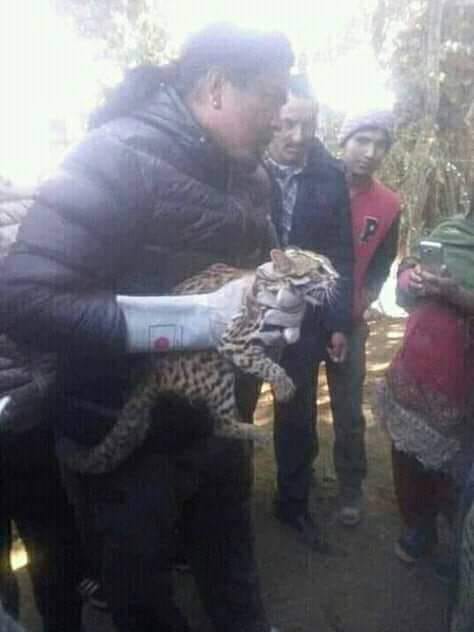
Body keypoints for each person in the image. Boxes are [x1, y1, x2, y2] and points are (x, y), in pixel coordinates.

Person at [0, 23, 303, 632]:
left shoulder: (252, 174)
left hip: (216, 422)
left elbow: (260, 269)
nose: (280, 120)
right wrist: (188, 322)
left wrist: (282, 299)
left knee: (233, 567)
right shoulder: (112, 157)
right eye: (270, 99)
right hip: (121, 437)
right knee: (142, 597)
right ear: (216, 88)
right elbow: (24, 297)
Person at [264, 74, 354, 549]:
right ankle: (216, 510)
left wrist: (338, 322)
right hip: (244, 314)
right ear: (269, 119)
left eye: (309, 124)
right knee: (228, 408)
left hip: (305, 320)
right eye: (288, 124)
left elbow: (340, 255)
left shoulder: (331, 175)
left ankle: (293, 503)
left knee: (297, 413)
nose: (299, 137)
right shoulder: (238, 165)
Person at [0, 194, 83, 631]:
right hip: (30, 413)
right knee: (50, 537)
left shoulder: (27, 224)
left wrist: (32, 396)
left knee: (49, 538)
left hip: (26, 420)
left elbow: (51, 325)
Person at [376, 208, 474, 569]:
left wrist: (456, 293)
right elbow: (405, 281)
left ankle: (459, 536)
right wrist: (411, 279)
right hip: (415, 371)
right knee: (408, 456)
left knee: (457, 466)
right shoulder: (450, 229)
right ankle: (419, 526)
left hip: (464, 384)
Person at [325, 110, 401, 526]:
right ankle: (292, 487)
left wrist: (366, 295)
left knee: (349, 409)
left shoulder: (388, 204)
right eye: (362, 141)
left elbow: (383, 261)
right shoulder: (317, 184)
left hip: (351, 322)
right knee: (293, 404)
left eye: (380, 145)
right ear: (344, 141)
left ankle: (351, 488)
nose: (370, 153)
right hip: (302, 318)